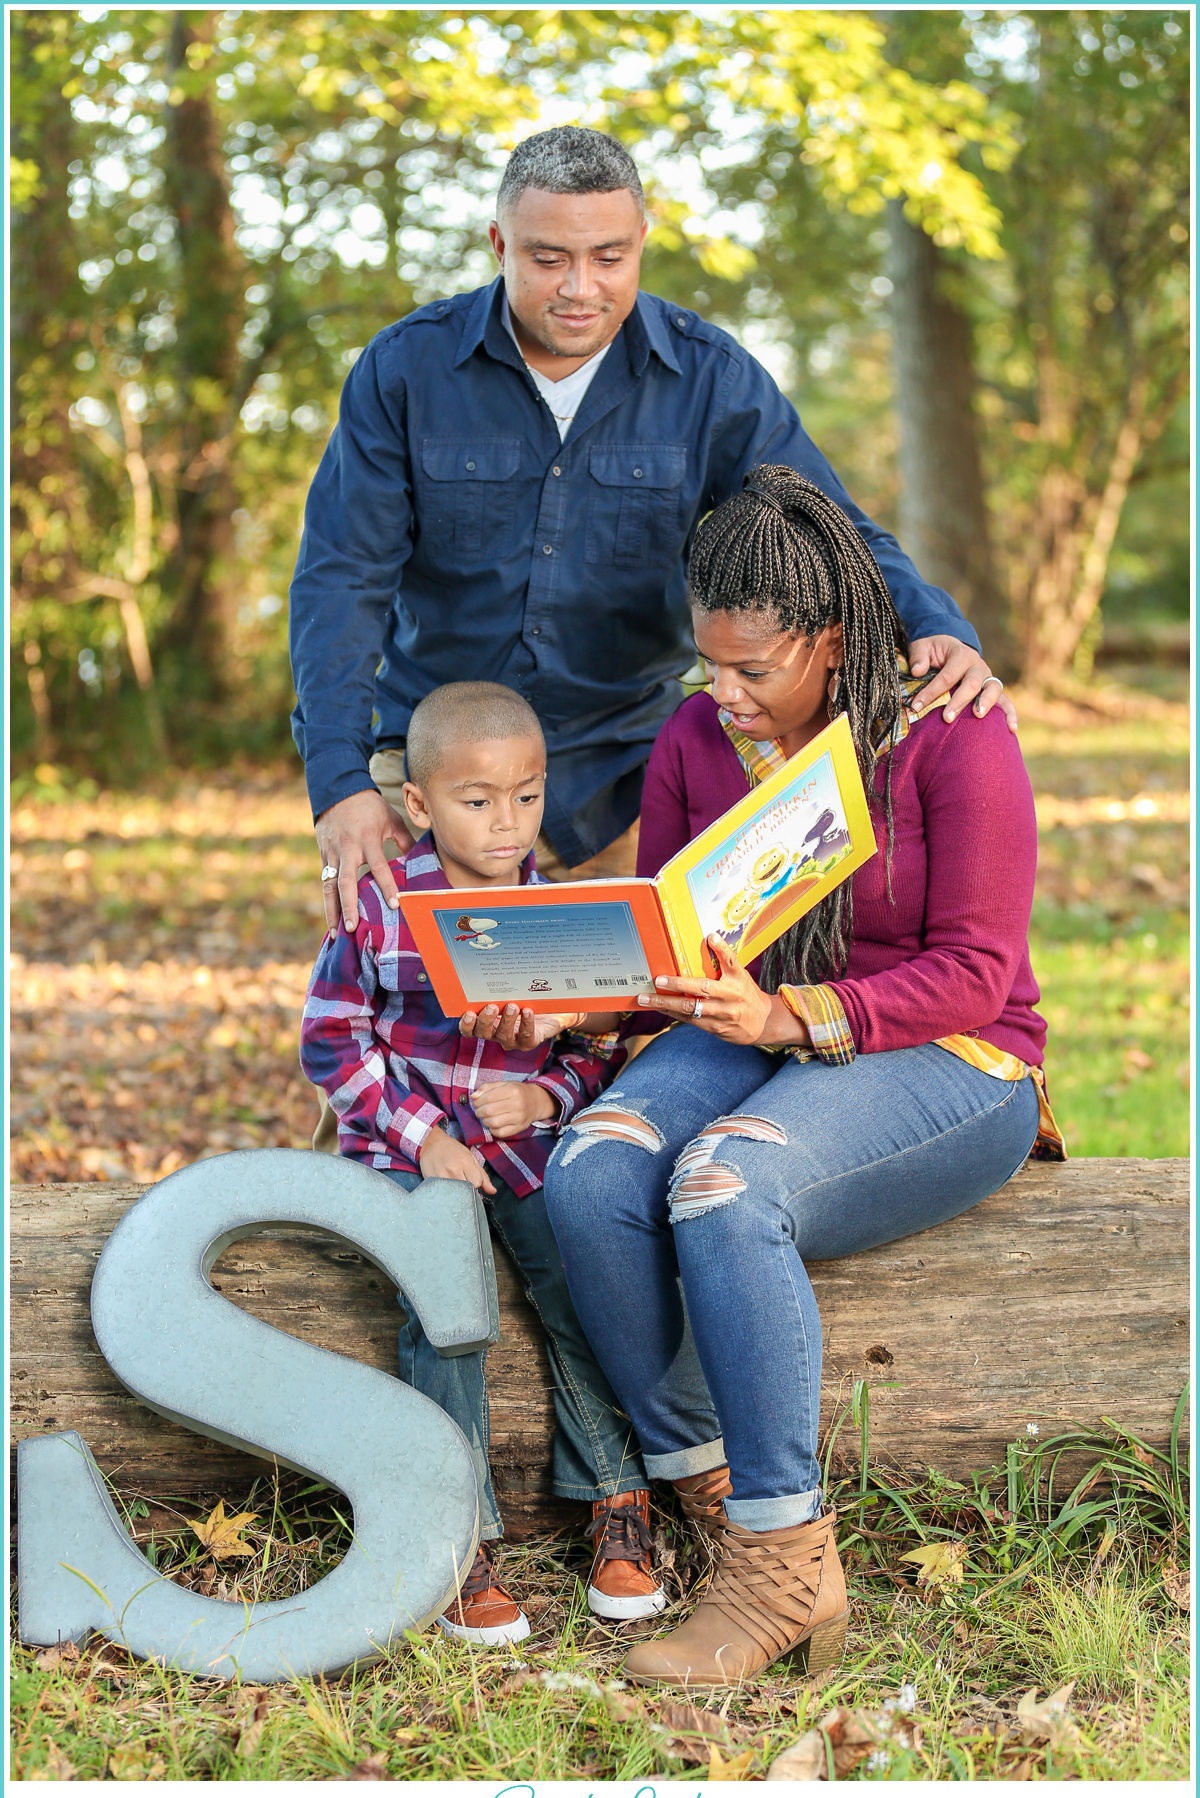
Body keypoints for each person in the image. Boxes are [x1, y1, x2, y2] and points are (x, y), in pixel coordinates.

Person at [536, 466, 1064, 1689]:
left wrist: (794, 1012)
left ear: (832, 641)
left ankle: (779, 1557)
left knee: (723, 1184)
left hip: (947, 1053)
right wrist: (574, 996)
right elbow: (672, 937)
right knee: (597, 1166)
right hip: (745, 1026)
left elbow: (979, 972)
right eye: (708, 664)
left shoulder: (948, 730)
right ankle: (714, 1492)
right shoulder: (693, 734)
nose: (723, 696)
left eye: (754, 671)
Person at [288, 125, 1015, 941]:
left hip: (630, 793)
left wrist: (936, 625)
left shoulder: (710, 378)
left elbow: (829, 529)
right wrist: (341, 783)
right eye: (548, 258)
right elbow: (340, 580)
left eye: (608, 257)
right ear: (499, 244)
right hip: (431, 787)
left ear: (642, 242)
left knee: (621, 1052)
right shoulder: (404, 372)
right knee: (401, 1047)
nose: (579, 287)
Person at [299, 682, 670, 1644]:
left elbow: (598, 1046)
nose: (508, 824)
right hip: (408, 1155)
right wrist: (431, 1138)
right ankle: (457, 1534)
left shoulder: (560, 911)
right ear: (418, 803)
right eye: (478, 800)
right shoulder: (381, 904)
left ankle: (615, 1503)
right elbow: (334, 1042)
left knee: (585, 1279)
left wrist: (547, 1095)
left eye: (529, 795)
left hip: (527, 1149)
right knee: (448, 1307)